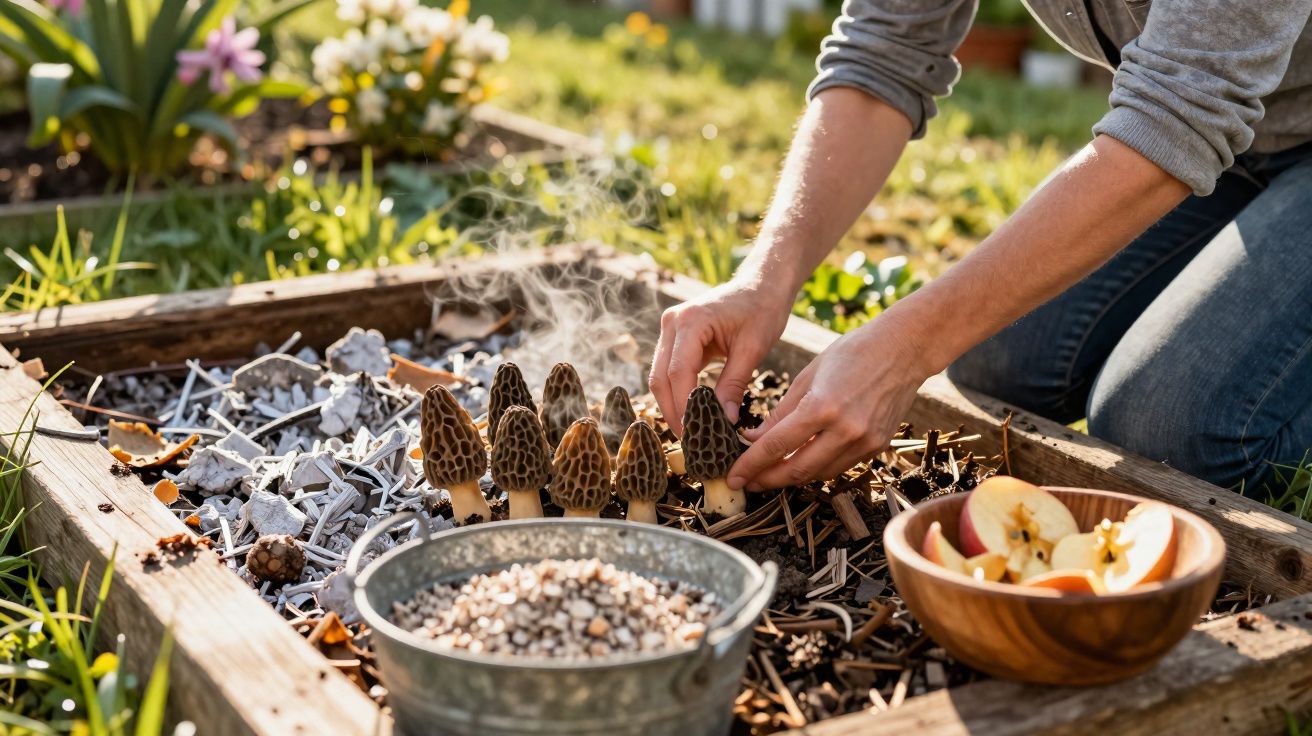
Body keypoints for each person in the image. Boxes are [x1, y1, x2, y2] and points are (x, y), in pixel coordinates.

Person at [648, 0, 1312, 496]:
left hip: (1219, 121)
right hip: (1231, 134)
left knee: (1169, 428)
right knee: (995, 360)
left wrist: (905, 346)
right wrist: (765, 278)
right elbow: (885, 49)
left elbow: (1183, 109)